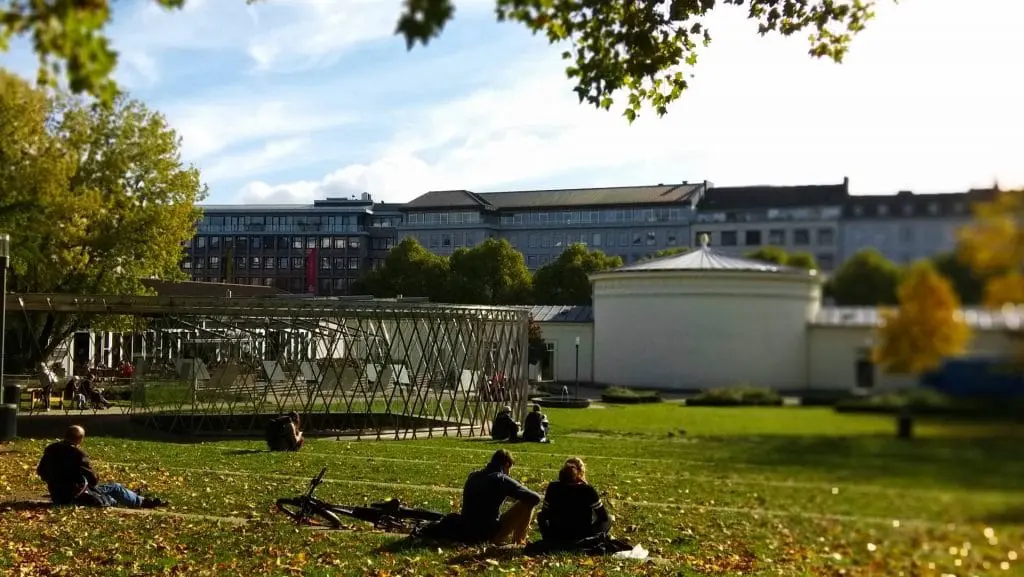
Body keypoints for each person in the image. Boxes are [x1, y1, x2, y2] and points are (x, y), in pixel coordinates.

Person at [36, 425, 166, 508]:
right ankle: (141, 501)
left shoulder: (51, 449)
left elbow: (40, 471)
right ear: (80, 439)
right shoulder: (78, 454)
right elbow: (93, 480)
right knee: (115, 487)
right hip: (75, 495)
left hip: (57, 494)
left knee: (114, 490)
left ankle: (133, 496)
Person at [459, 449, 541, 545]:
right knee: (528, 503)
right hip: (487, 533)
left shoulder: (473, 475)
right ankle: (519, 541)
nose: (509, 473)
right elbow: (535, 498)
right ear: (506, 464)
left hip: (466, 530)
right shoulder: (501, 479)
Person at [535, 457, 611, 549]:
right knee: (608, 518)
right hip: (581, 535)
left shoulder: (553, 487)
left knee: (540, 515)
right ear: (580, 474)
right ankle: (592, 538)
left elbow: (545, 514)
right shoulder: (588, 490)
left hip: (555, 534)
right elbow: (603, 517)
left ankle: (550, 538)